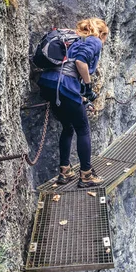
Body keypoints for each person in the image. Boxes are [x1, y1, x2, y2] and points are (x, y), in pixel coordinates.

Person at [38, 18, 108, 188]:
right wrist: (88, 87)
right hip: (64, 86)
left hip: (48, 83)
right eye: (106, 36)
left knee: (68, 128)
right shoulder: (94, 41)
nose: (105, 40)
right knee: (83, 129)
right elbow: (80, 62)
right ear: (102, 33)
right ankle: (86, 175)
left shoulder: (74, 38)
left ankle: (65, 172)